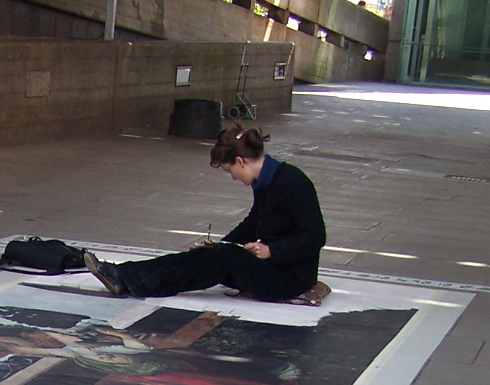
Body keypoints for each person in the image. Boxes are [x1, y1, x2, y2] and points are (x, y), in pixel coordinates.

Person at [82, 127, 329, 306]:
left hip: (289, 278)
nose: (233, 177)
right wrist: (221, 244)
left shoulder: (292, 182)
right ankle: (124, 275)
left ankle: (131, 280)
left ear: (240, 161)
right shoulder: (265, 182)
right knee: (210, 255)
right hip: (272, 267)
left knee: (224, 258)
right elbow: (254, 222)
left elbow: (315, 235)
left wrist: (271, 250)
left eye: (230, 170)